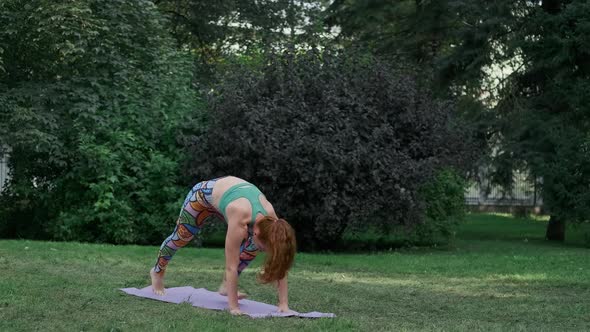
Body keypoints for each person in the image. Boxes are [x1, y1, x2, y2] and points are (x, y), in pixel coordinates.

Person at [149, 176, 297, 315]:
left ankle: (226, 285)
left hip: (229, 199)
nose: (263, 251)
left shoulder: (274, 223)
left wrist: (283, 303)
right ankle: (157, 272)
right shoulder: (240, 214)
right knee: (181, 236)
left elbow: (281, 258)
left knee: (251, 247)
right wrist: (234, 307)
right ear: (257, 233)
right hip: (202, 196)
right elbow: (230, 266)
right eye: (264, 248)